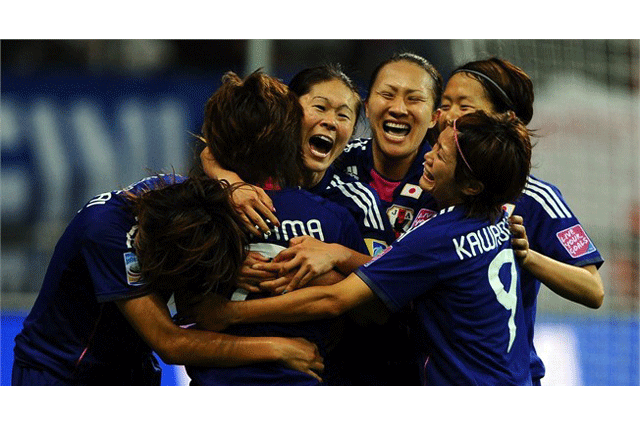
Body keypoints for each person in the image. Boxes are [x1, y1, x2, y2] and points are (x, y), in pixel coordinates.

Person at [180, 110, 535, 386]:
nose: (428, 157)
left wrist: (229, 313)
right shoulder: (496, 216)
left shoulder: (438, 236)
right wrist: (340, 253)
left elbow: (336, 299)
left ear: (472, 185)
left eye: (440, 155)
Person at [11, 173, 323, 385]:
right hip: (62, 374)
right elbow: (171, 343)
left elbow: (209, 154)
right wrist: (278, 348)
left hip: (131, 370)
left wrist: (228, 254)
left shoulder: (181, 197)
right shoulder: (105, 234)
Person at [183, 70, 369, 385]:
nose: (329, 122)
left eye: (343, 115)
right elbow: (372, 304)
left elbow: (184, 317)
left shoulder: (196, 209)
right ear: (291, 126)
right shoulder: (333, 217)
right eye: (319, 108)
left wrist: (336, 259)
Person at [437, 57, 605, 385]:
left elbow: (593, 289)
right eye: (445, 104)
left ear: (506, 118)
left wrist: (526, 257)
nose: (450, 115)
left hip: (504, 379)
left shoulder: (534, 197)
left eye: (465, 106)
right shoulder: (427, 181)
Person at [336, 52, 443, 238]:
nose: (398, 109)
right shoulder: (336, 162)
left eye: (414, 99)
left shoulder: (445, 182)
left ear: (434, 117)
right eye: (387, 95)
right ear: (367, 107)